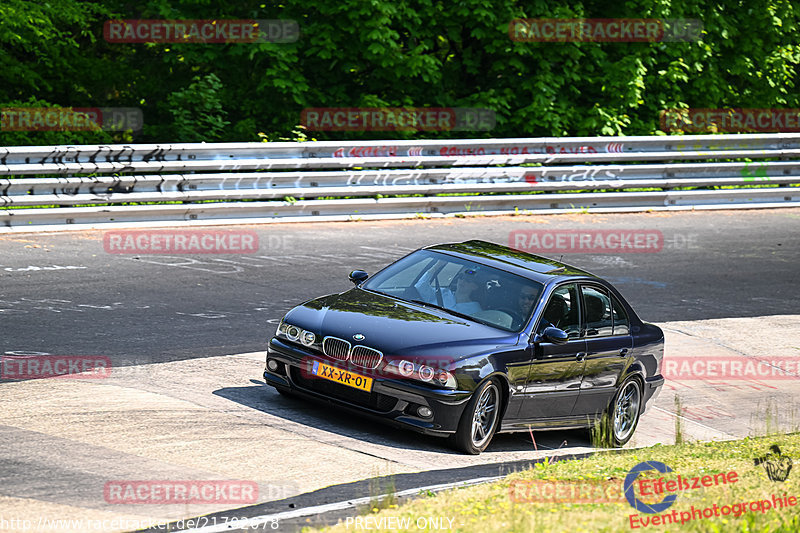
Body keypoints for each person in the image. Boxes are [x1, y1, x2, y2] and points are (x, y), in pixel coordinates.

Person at [414, 266, 484, 315]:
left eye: (468, 280)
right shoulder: (442, 293)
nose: (462, 281)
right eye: (461, 277)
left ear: (475, 287)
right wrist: (437, 266)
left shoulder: (475, 310)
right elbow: (420, 286)